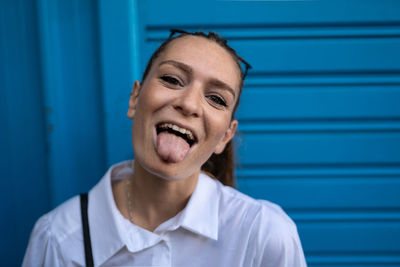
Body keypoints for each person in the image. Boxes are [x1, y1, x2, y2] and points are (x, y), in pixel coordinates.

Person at [23, 30, 307, 267]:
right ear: (135, 98)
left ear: (225, 136)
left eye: (217, 99)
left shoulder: (265, 236)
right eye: (172, 79)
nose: (189, 104)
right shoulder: (56, 238)